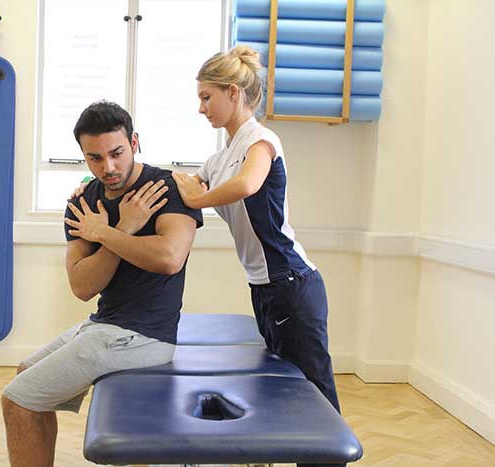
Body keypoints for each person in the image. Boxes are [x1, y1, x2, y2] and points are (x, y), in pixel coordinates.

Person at [1, 100, 203, 467]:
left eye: (117, 153)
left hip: (147, 336)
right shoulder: (84, 202)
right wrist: (122, 229)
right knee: (26, 378)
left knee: (17, 399)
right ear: (83, 155)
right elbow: (82, 285)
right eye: (95, 158)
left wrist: (107, 233)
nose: (108, 167)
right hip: (105, 325)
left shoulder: (165, 189)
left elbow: (170, 258)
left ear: (135, 142)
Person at [172, 46, 344, 467]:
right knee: (282, 388)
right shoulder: (222, 155)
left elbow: (248, 185)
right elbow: (181, 183)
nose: (200, 108)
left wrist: (201, 195)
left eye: (206, 97)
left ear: (233, 93)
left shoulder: (261, 142)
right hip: (266, 289)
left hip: (292, 284)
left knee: (315, 395)